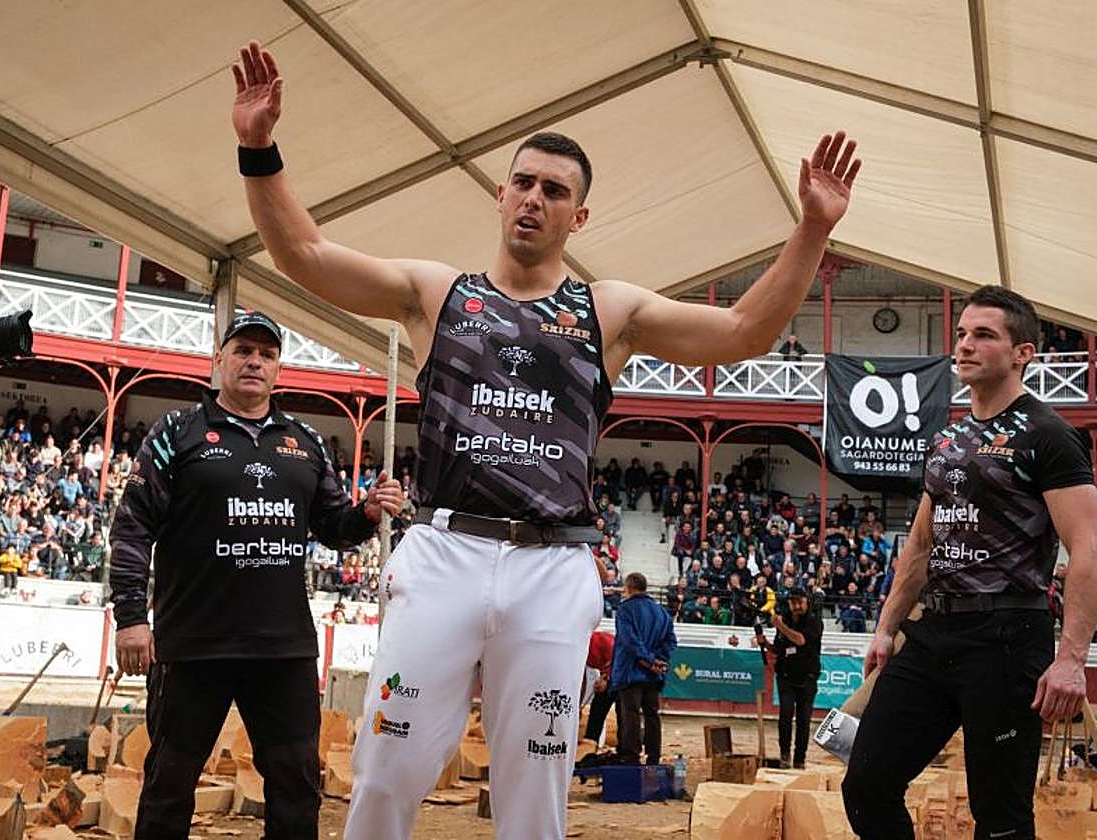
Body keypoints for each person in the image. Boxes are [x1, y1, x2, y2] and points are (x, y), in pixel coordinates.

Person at [231, 40, 860, 840]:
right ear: (500, 195)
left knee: (536, 789)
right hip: (444, 552)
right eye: (522, 183)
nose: (534, 198)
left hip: (552, 566)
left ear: (579, 215)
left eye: (554, 190)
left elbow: (743, 330)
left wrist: (810, 229)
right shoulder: (438, 294)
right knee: (386, 773)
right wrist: (258, 147)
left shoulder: (608, 310)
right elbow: (305, 255)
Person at [109, 311, 403, 840]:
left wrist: (368, 512)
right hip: (192, 645)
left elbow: (334, 526)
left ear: (278, 369)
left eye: (266, 355)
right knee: (169, 783)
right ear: (219, 359)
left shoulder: (306, 440)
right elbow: (132, 528)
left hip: (283, 649)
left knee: (295, 785)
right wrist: (131, 617)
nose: (254, 362)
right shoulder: (176, 431)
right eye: (243, 350)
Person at [841, 287, 1097, 840]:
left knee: (1000, 820)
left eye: (984, 335)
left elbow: (1089, 547)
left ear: (1023, 351)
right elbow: (919, 546)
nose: (965, 345)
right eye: (961, 333)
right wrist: (885, 629)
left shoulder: (1049, 436)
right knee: (865, 784)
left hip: (1008, 637)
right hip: (934, 633)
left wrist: (1073, 658)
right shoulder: (948, 437)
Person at [610, 573, 676, 767]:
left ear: (629, 588)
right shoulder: (662, 612)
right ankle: (653, 756)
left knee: (630, 714)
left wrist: (646, 659)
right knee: (652, 714)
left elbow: (629, 640)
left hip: (630, 671)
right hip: (653, 674)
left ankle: (631, 757)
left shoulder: (625, 610)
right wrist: (657, 660)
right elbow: (670, 641)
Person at [754, 587, 822, 768]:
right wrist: (765, 643)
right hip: (785, 675)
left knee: (803, 719)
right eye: (793, 602)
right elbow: (779, 649)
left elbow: (800, 640)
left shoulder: (814, 621)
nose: (797, 606)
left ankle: (800, 759)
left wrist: (780, 626)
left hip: (807, 677)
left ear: (807, 602)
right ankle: (785, 755)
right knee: (785, 715)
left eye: (800, 602)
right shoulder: (784, 618)